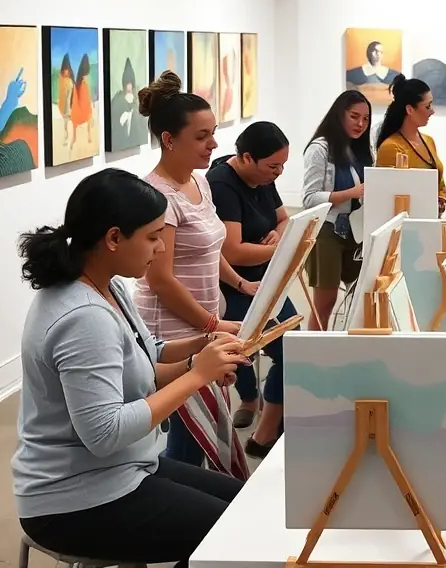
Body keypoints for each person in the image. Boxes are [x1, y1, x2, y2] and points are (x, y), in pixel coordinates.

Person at [13, 169, 246, 567]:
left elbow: (143, 355)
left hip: (125, 470)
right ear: (114, 238)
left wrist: (200, 350)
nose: (160, 249)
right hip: (73, 500)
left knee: (248, 504)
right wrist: (197, 376)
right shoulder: (84, 316)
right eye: (153, 236)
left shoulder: (106, 284)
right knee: (235, 536)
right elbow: (105, 434)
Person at [133, 71, 252, 476]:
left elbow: (210, 245)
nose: (214, 144)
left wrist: (238, 282)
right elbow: (159, 279)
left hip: (202, 323)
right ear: (169, 139)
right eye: (202, 137)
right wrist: (212, 324)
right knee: (189, 436)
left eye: (213, 133)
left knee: (197, 435)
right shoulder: (158, 197)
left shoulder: (200, 183)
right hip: (172, 329)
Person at [207, 121, 297, 458]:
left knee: (292, 348)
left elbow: (284, 220)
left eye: (283, 166)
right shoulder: (222, 184)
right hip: (232, 285)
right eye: (274, 166)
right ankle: (250, 401)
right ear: (246, 158)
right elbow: (233, 251)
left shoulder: (264, 178)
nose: (279, 173)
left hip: (265, 281)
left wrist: (278, 235)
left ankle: (269, 424)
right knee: (243, 349)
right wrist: (278, 248)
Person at [303, 91, 373, 331]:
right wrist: (350, 194)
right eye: (354, 117)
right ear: (339, 114)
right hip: (327, 230)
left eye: (365, 119)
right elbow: (309, 198)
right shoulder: (320, 148)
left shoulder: (360, 150)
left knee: (360, 296)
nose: (360, 124)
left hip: (357, 230)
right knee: (324, 303)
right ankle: (314, 357)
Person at [376, 75, 446, 212]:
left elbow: (439, 180)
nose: (432, 111)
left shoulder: (428, 141)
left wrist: (441, 198)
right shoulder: (391, 147)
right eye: (427, 106)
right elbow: (386, 196)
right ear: (409, 110)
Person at [108, 57, 147, 150]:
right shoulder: (117, 100)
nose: (129, 87)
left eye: (131, 83)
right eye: (127, 83)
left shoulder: (138, 99)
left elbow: (143, 125)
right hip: (120, 144)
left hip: (134, 142)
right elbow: (112, 122)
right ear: (123, 84)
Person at [70, 53, 93, 148]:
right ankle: (87, 136)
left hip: (82, 108)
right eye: (86, 75)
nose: (87, 77)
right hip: (81, 109)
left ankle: (85, 136)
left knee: (87, 117)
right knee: (88, 116)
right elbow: (84, 99)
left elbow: (86, 99)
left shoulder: (81, 84)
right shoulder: (82, 85)